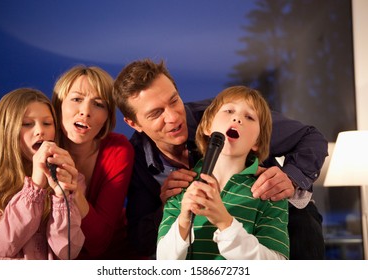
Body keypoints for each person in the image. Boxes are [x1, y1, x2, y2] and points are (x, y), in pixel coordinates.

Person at [113, 59, 328, 259]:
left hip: (274, 212)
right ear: (134, 123)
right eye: (155, 113)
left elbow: (311, 138)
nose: (172, 117)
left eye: (174, 101)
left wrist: (291, 178)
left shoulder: (221, 114)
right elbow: (143, 240)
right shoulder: (136, 159)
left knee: (303, 224)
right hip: (198, 241)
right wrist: (170, 207)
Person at [157, 85, 289, 259]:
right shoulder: (181, 188)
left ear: (257, 141)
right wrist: (183, 221)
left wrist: (225, 224)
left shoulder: (268, 192)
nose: (237, 119)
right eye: (228, 111)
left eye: (249, 117)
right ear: (207, 126)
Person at [0, 88, 84, 260]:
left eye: (47, 123)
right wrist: (34, 188)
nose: (40, 131)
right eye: (27, 124)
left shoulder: (72, 177)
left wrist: (62, 196)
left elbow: (68, 252)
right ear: (6, 131)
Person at [52, 65, 137, 259]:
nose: (86, 111)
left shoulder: (118, 150)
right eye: (76, 99)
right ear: (58, 105)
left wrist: (75, 192)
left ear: (108, 116)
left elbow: (99, 243)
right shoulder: (40, 146)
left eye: (99, 104)